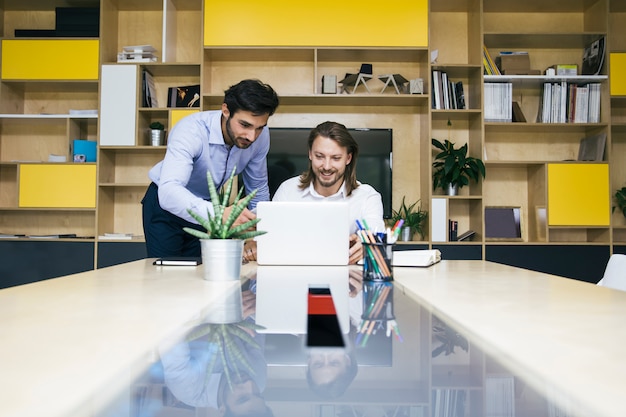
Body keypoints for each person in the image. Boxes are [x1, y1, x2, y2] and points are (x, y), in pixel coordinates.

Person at [142, 79, 280, 257]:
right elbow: (169, 192)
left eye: (259, 128)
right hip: (165, 206)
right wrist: (219, 214)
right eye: (245, 125)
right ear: (225, 111)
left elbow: (258, 188)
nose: (252, 136)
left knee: (199, 275)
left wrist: (257, 236)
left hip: (207, 207)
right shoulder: (191, 130)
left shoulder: (261, 137)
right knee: (166, 276)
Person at [246, 121, 384, 264]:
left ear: (348, 158)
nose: (327, 166)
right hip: (293, 275)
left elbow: (376, 236)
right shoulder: (288, 190)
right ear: (310, 154)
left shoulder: (367, 197)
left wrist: (368, 244)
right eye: (319, 156)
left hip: (347, 278)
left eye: (336, 158)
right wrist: (253, 245)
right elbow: (266, 239)